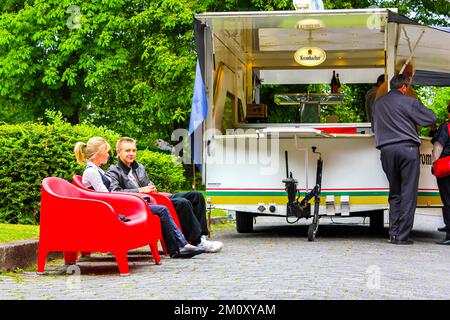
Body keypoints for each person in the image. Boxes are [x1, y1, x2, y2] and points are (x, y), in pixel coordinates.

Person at [74, 137, 204, 258]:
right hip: (116, 208)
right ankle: (178, 248)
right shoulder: (93, 171)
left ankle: (185, 245)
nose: (108, 155)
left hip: (126, 204)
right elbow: (106, 195)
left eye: (133, 150)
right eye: (106, 152)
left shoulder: (98, 170)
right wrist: (139, 194)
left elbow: (107, 194)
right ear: (99, 154)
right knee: (163, 209)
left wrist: (150, 190)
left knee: (184, 200)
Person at [107, 137, 224, 253]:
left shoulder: (139, 167)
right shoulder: (114, 171)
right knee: (182, 203)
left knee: (197, 196)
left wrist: (151, 187)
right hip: (143, 203)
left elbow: (148, 183)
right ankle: (197, 241)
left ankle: (202, 237)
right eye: (127, 151)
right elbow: (114, 192)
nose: (131, 153)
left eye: (134, 150)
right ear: (119, 152)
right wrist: (140, 190)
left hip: (156, 197)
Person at [372, 74, 436, 245]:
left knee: (395, 192)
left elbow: (374, 126)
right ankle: (402, 237)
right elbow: (431, 118)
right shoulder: (408, 101)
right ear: (405, 87)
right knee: (408, 193)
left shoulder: (378, 104)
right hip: (407, 149)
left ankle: (393, 233)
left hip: (386, 151)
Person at [431, 102, 450, 245]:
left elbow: (438, 147)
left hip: (447, 168)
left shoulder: (446, 127)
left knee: (448, 200)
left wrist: (434, 163)